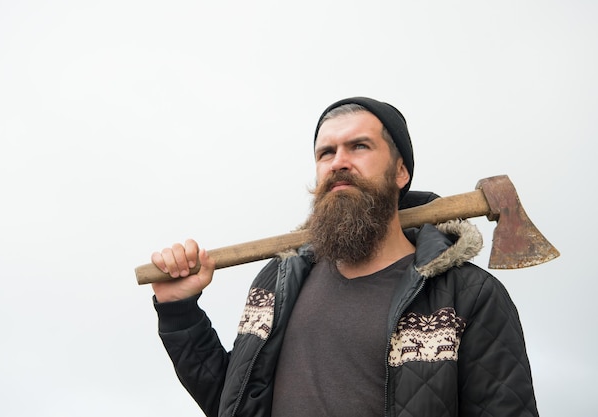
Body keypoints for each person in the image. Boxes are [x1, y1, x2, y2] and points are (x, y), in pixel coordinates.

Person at [149, 97, 539, 417]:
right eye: (326, 153)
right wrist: (179, 312)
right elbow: (231, 403)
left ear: (401, 171)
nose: (338, 162)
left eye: (359, 146)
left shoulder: (466, 296)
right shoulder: (278, 281)